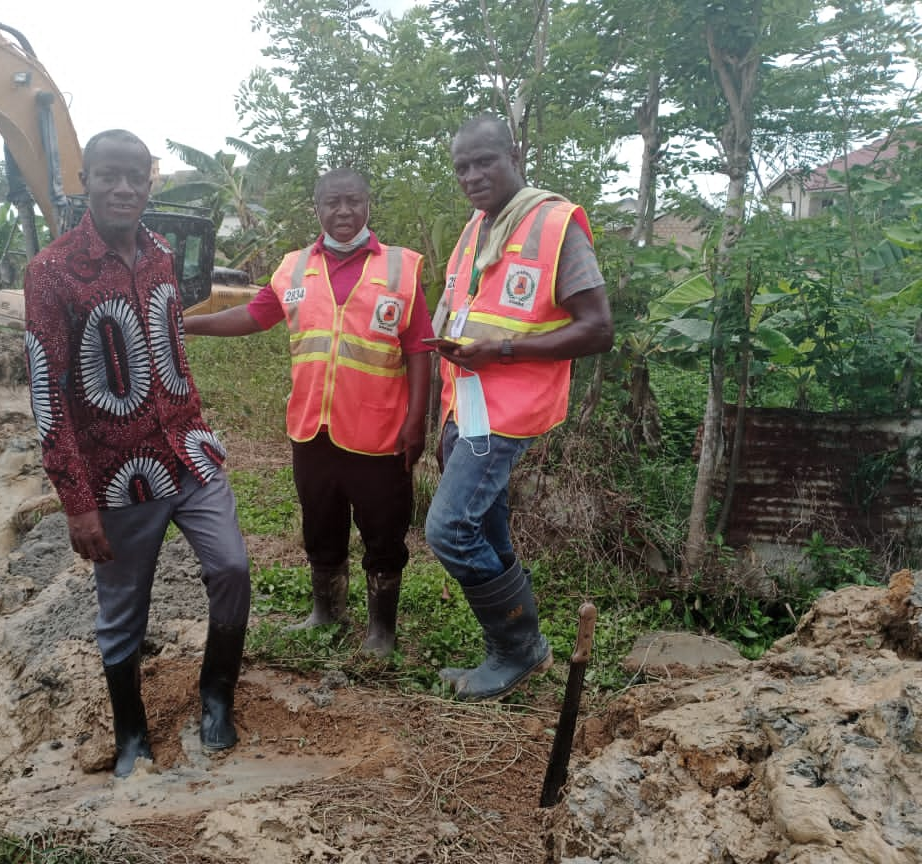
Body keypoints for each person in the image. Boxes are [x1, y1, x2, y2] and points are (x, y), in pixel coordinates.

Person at [22, 129, 252, 777]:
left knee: (232, 569)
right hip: (116, 475)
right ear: (86, 181)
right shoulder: (51, 272)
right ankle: (130, 734)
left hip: (188, 452)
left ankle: (216, 696)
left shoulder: (158, 254)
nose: (123, 188)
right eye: (108, 175)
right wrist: (77, 501)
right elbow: (49, 392)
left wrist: (194, 420)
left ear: (150, 183)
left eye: (135, 176)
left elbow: (169, 347)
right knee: (123, 610)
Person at [185, 167, 432, 658]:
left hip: (380, 431)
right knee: (320, 523)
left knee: (383, 529)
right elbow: (255, 315)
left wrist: (416, 420)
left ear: (367, 204)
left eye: (353, 201)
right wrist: (188, 325)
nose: (343, 212)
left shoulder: (401, 268)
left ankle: (381, 630)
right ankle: (328, 612)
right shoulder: (295, 267)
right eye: (332, 204)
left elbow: (419, 346)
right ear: (316, 210)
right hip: (312, 428)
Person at [425, 114, 614, 702]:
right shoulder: (478, 227)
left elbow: (598, 329)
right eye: (463, 167)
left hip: (508, 409)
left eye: (485, 161)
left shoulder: (555, 224)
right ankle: (517, 647)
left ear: (515, 154)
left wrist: (504, 351)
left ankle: (516, 648)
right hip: (470, 406)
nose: (474, 175)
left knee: (450, 529)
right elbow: (460, 319)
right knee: (483, 521)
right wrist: (445, 416)